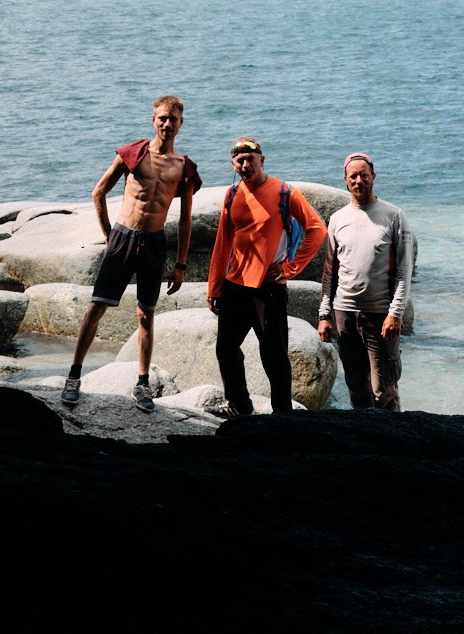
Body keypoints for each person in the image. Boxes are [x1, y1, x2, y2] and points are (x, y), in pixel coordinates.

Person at [62, 96, 201, 412]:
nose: (168, 124)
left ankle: (142, 384)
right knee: (97, 307)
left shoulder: (184, 168)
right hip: (123, 238)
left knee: (146, 314)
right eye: (163, 118)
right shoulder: (134, 154)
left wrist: (180, 263)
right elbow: (99, 192)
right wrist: (109, 235)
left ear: (181, 124)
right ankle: (73, 377)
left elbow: (184, 219)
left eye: (174, 119)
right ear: (153, 119)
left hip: (154, 243)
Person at [208, 137, 325, 416]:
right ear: (233, 163)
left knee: (273, 356)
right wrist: (214, 287)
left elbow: (317, 229)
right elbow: (223, 241)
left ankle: (281, 415)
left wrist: (289, 269)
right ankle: (239, 405)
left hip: (268, 288)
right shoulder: (232, 194)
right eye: (239, 160)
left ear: (262, 160)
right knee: (226, 349)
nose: (245, 165)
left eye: (251, 159)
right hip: (235, 286)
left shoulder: (284, 192)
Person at [317, 153, 413, 411]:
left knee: (385, 391)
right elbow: (330, 272)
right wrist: (324, 314)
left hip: (380, 316)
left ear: (373, 177)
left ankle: (392, 446)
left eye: (364, 175)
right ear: (345, 181)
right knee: (356, 387)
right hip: (345, 315)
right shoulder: (338, 219)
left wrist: (395, 313)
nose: (359, 180)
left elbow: (405, 271)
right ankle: (363, 445)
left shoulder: (394, 216)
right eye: (353, 176)